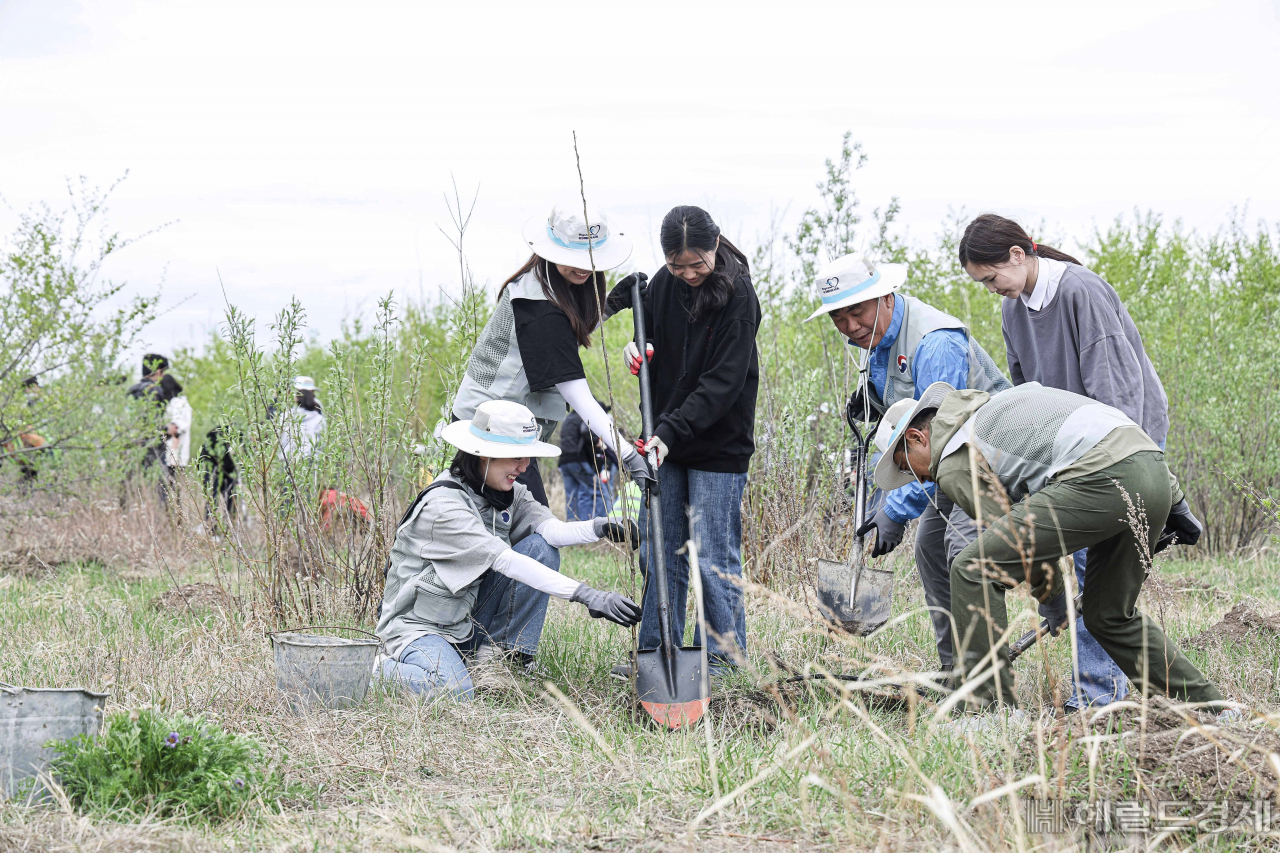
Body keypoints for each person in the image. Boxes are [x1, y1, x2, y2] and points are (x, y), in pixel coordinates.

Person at [874, 381, 1219, 714]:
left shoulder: (952, 457)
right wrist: (1174, 500)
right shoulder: (998, 408)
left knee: (972, 568)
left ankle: (986, 714)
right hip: (1153, 471)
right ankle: (1210, 710)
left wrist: (1053, 599)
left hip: (1099, 476)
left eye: (909, 469)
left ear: (918, 438)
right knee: (1109, 615)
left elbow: (1017, 547)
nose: (923, 480)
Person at [959, 213, 1169, 711]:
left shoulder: (1081, 291)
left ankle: (1097, 698)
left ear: (1018, 254)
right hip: (1065, 453)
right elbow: (1023, 394)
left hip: (1113, 445)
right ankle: (1100, 689)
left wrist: (1107, 464)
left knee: (1096, 568)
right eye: (981, 284)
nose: (991, 289)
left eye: (991, 278)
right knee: (1081, 566)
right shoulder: (1014, 310)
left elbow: (1117, 387)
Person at [805, 253, 1010, 672]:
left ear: (884, 296)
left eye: (856, 312)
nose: (849, 327)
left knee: (963, 554)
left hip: (992, 459)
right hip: (948, 465)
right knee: (931, 552)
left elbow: (939, 439)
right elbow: (903, 435)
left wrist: (894, 510)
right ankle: (956, 673)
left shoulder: (934, 343)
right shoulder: (875, 345)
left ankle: (986, 683)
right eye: (837, 319)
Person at [376, 400, 642, 700]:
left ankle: (500, 663)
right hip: (420, 628)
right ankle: (372, 669)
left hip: (465, 621)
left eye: (527, 456)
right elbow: (508, 562)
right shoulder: (444, 506)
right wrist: (587, 595)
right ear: (484, 455)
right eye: (516, 456)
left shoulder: (507, 493)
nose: (525, 466)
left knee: (542, 548)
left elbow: (549, 531)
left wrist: (600, 527)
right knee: (455, 691)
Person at [608, 205, 761, 677]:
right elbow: (648, 332)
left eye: (697, 264)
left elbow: (722, 383)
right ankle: (658, 654)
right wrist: (638, 345)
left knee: (714, 555)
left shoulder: (739, 295)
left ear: (715, 246)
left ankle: (720, 660)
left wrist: (669, 433)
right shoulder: (663, 282)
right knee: (659, 549)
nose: (689, 274)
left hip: (718, 442)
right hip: (664, 439)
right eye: (678, 266)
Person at [451, 201, 652, 507]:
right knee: (530, 527)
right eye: (574, 258)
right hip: (489, 430)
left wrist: (609, 304)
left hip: (512, 428)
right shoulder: (538, 308)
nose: (584, 268)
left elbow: (567, 328)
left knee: (517, 525)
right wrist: (626, 455)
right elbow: (578, 395)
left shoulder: (551, 281)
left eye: (591, 259)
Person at [127, 354, 192, 505]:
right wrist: (166, 429)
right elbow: (152, 423)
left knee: (132, 487)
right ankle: (164, 520)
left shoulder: (132, 390)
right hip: (154, 447)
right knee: (162, 489)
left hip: (131, 444)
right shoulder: (155, 391)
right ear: (157, 372)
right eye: (162, 372)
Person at [558, 403, 616, 521]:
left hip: (564, 461)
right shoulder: (586, 414)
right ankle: (603, 527)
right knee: (599, 491)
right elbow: (585, 431)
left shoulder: (569, 418)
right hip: (578, 460)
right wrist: (598, 442)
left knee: (573, 495)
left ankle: (573, 526)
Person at [278, 375, 325, 460]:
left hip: (287, 463)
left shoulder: (286, 417)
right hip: (310, 464)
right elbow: (322, 444)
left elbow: (279, 441)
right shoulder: (318, 418)